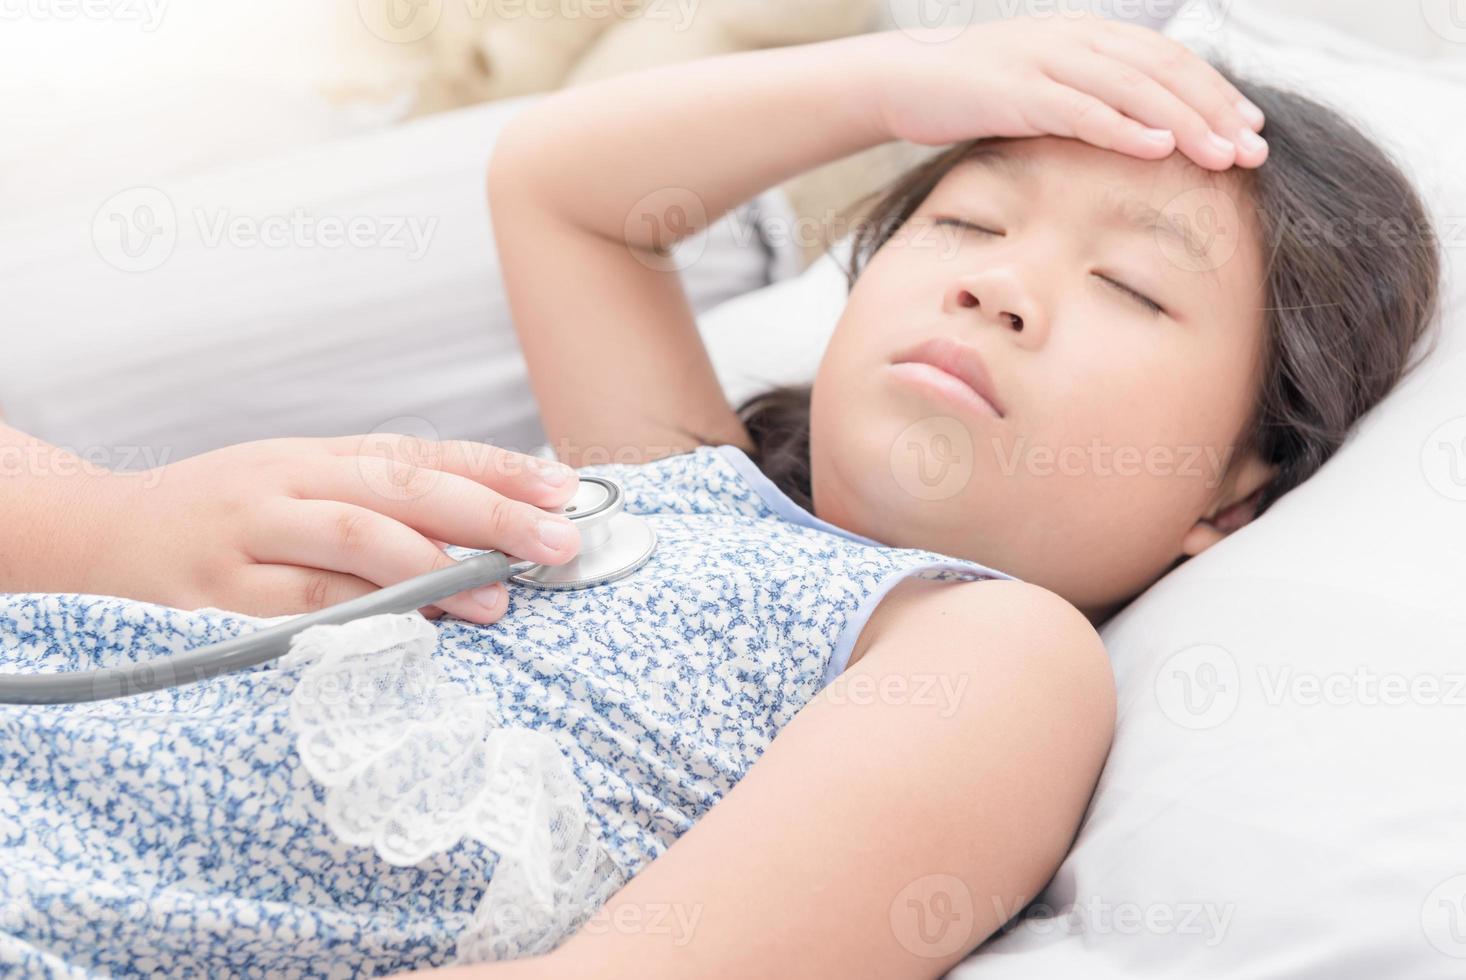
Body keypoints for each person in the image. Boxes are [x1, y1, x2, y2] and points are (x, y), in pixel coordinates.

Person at [0, 14, 1438, 979]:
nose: (999, 281)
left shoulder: (985, 654)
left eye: (1128, 284)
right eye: (965, 217)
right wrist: (898, 85)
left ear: (1232, 501)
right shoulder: (673, 479)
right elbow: (563, 186)